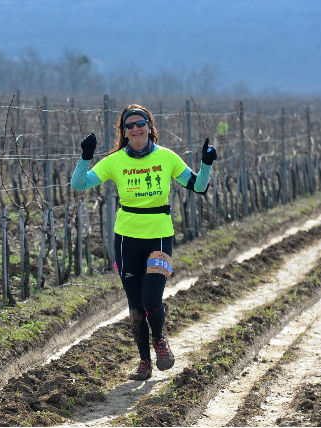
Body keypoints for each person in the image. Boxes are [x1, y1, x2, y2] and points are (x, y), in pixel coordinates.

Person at [71, 104, 216, 380]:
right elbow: (79, 184)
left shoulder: (167, 158)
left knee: (151, 297)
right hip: (126, 238)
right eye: (130, 126)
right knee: (136, 305)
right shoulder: (115, 161)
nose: (135, 129)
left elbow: (198, 186)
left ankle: (160, 341)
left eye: (140, 123)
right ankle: (144, 362)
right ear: (124, 132)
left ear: (150, 127)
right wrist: (84, 157)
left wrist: (206, 165)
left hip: (159, 235)